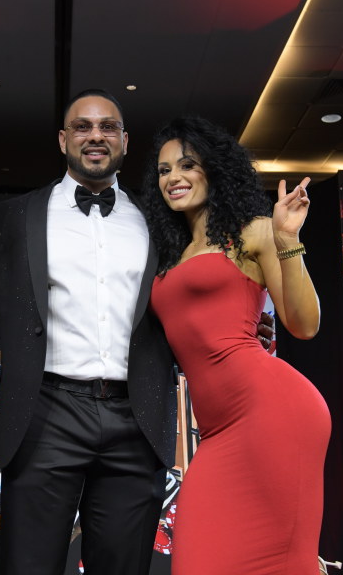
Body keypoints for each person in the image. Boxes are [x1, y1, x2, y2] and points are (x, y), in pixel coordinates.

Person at [0, 90, 273, 575]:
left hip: (137, 419)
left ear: (125, 141)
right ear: (63, 139)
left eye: (107, 127)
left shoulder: (163, 221)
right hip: (43, 414)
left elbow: (191, 296)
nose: (95, 136)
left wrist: (233, 325)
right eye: (83, 126)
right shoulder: (12, 217)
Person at [141, 115, 330, 575]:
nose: (174, 177)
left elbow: (304, 325)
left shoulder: (255, 230)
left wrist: (287, 239)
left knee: (285, 562)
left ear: (215, 168)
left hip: (273, 412)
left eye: (187, 165)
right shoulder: (170, 253)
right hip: (216, 432)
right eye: (164, 170)